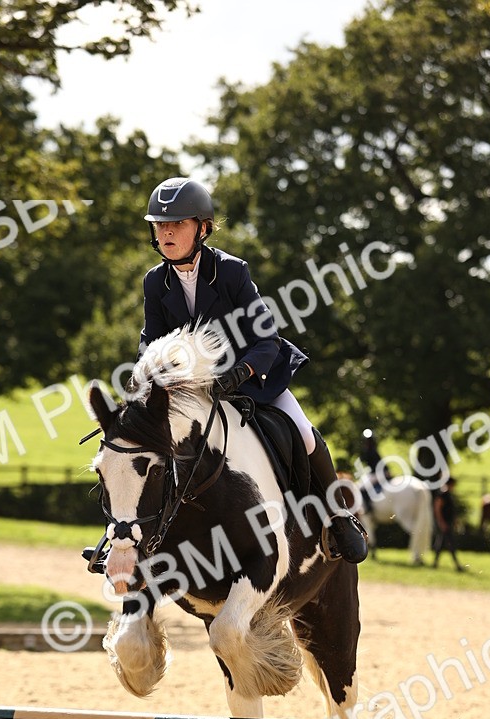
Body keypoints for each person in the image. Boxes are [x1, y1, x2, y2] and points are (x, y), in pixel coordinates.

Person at [137, 176, 368, 564]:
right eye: (160, 224)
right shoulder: (155, 282)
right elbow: (151, 340)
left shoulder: (231, 271)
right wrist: (148, 378)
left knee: (303, 432)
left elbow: (268, 340)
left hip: (252, 377)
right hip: (193, 390)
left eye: (177, 224)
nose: (167, 232)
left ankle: (338, 518)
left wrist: (239, 374)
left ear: (203, 228)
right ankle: (127, 536)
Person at [432, 477, 466, 572]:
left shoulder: (448, 494)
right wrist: (441, 522)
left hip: (448, 523)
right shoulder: (443, 494)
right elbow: (437, 509)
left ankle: (435, 563)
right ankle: (457, 565)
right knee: (450, 544)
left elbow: (451, 510)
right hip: (444, 523)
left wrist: (454, 521)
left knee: (441, 543)